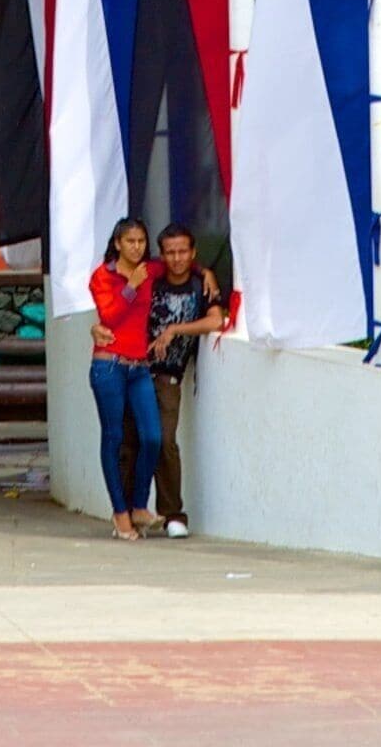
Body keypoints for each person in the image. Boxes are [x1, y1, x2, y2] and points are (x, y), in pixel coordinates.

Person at [144, 225, 229, 537]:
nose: (177, 258)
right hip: (135, 368)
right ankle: (128, 512)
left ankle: (173, 514)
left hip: (169, 375)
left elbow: (216, 319)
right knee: (130, 441)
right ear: (162, 255)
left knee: (164, 441)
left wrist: (175, 330)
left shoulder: (199, 286)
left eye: (183, 252)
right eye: (170, 252)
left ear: (192, 253)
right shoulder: (151, 281)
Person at [87, 218, 164, 538]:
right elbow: (109, 316)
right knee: (114, 437)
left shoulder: (149, 271)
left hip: (139, 367)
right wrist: (131, 285)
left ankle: (139, 505)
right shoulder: (103, 276)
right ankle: (120, 513)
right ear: (117, 243)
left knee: (152, 437)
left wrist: (208, 274)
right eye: (130, 241)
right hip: (110, 366)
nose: (137, 247)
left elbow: (179, 265)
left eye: (141, 241)